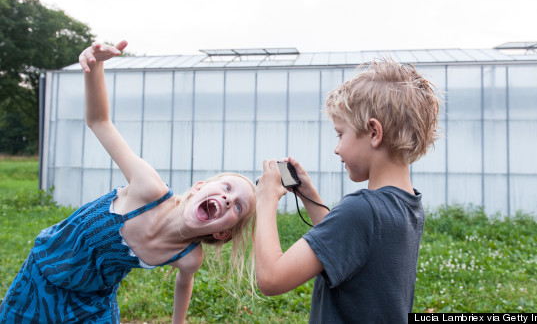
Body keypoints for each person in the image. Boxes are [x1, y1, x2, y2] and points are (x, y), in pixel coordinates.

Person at [0, 41, 256, 324]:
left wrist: (178, 321)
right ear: (198, 187)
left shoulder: (188, 256)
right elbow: (99, 121)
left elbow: (185, 282)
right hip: (41, 276)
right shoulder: (149, 189)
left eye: (237, 207)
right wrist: (95, 65)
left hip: (93, 304)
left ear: (223, 233)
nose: (228, 198)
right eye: (226, 188)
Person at [255, 58, 440, 323]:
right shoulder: (409, 206)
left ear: (374, 132)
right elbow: (348, 248)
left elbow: (271, 279)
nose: (337, 148)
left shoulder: (362, 210)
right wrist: (310, 195)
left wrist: (266, 199)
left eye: (340, 134)